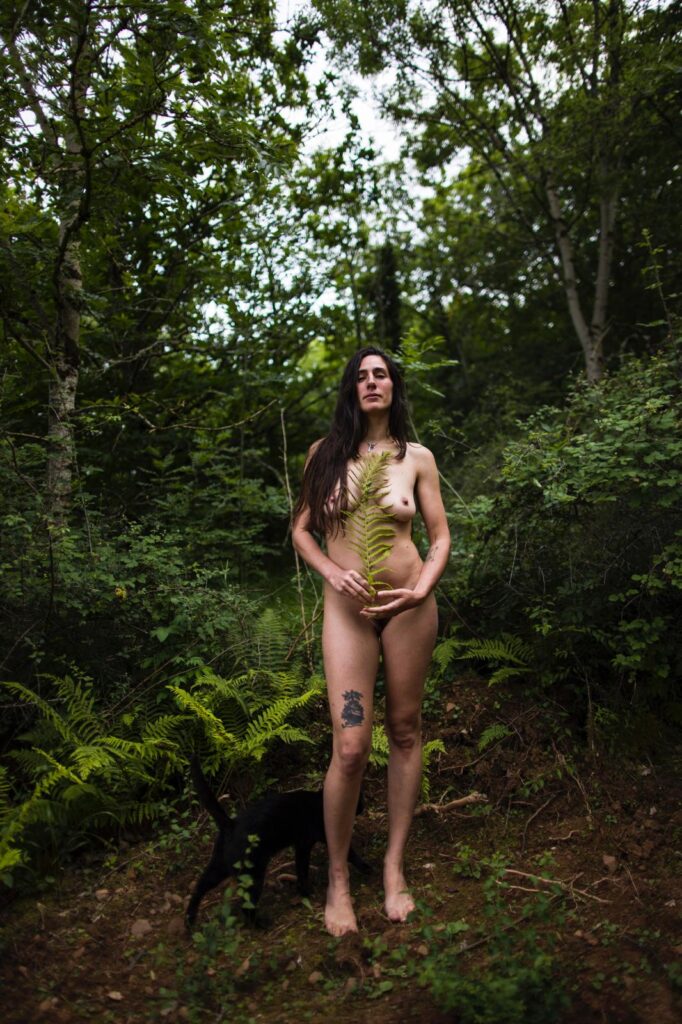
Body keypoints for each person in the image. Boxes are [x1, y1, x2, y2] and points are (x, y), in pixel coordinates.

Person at [292, 346, 451, 937]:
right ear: (351, 390)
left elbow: (439, 537)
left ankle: (393, 867)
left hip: (409, 610)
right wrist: (332, 574)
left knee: (405, 730)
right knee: (352, 745)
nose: (371, 382)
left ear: (393, 386)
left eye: (380, 374)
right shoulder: (323, 455)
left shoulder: (417, 458)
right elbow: (301, 531)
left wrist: (421, 589)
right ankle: (337, 879)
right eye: (360, 376)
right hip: (348, 614)